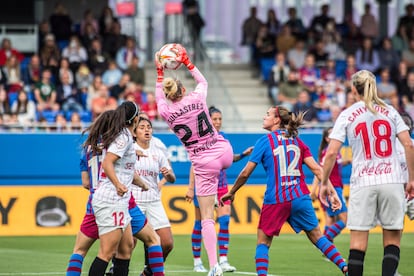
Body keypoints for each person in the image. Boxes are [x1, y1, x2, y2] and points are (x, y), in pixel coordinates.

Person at [220, 106, 348, 276]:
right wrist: (331, 193)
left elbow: (245, 173)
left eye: (268, 115)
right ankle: (345, 267)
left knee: (263, 243)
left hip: (276, 199)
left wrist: (232, 191)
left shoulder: (264, 141)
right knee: (318, 236)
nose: (264, 117)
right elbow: (318, 170)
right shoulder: (298, 142)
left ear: (276, 120)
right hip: (300, 197)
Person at [320, 70, 414, 276]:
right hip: (392, 180)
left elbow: (332, 153)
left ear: (353, 89)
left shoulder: (347, 114)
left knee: (357, 244)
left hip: (363, 183)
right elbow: (408, 144)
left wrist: (324, 183)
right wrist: (411, 180)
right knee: (392, 241)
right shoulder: (390, 111)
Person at [155, 44, 233, 276]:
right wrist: (188, 62)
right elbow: (203, 81)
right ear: (183, 89)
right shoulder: (198, 98)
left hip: (203, 163)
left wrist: (160, 71)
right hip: (224, 152)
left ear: (170, 95)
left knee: (207, 218)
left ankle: (214, 266)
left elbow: (158, 96)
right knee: (219, 211)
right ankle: (219, 261)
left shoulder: (166, 112)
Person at [87, 101, 161, 276]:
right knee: (106, 252)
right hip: (110, 199)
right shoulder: (124, 137)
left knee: (126, 248)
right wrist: (118, 184)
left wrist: (142, 184)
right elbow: (107, 163)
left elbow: (124, 169)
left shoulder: (124, 136)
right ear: (135, 118)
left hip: (120, 201)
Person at [185, 106, 254, 273]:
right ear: (207, 120)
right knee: (200, 223)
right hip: (203, 186)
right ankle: (197, 262)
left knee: (224, 221)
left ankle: (223, 260)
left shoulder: (223, 138)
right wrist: (190, 188)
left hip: (221, 186)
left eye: (219, 119)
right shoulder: (200, 139)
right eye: (214, 119)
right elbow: (195, 165)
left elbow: (229, 158)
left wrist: (243, 155)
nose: (217, 122)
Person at [132, 117, 176, 276]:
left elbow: (172, 178)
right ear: (135, 133)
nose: (146, 130)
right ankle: (116, 269)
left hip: (153, 201)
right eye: (142, 127)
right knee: (129, 244)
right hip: (134, 201)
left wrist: (168, 174)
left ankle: (148, 272)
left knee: (167, 243)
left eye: (149, 127)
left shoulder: (158, 152)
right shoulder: (130, 150)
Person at [311, 127, 350, 243]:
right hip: (332, 189)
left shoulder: (335, 152)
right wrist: (313, 191)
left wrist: (344, 163)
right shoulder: (328, 153)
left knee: (330, 219)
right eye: (332, 134)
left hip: (334, 188)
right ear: (327, 139)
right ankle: (324, 241)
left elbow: (330, 168)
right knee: (345, 219)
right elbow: (319, 171)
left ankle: (327, 251)